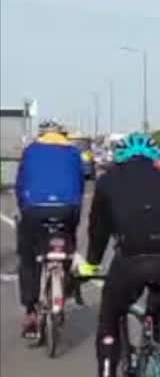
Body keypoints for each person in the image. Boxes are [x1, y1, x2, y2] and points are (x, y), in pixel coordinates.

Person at [79, 133, 160, 377]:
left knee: (111, 314)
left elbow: (99, 230)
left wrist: (91, 264)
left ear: (120, 157)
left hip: (133, 259)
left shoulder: (108, 181)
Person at [14, 120, 84, 337]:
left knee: (28, 256)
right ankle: (68, 274)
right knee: (68, 239)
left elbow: (20, 184)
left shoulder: (31, 151)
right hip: (67, 209)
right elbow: (80, 185)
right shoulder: (74, 152)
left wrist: (23, 207)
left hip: (35, 209)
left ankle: (30, 311)